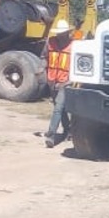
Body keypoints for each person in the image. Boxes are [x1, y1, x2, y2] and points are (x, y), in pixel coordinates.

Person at [44, 20, 74, 148]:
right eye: (59, 33)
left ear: (67, 33)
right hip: (52, 81)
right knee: (60, 109)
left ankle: (51, 136)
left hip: (65, 82)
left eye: (63, 33)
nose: (60, 36)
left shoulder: (74, 46)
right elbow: (43, 58)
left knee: (58, 109)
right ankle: (68, 130)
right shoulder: (50, 43)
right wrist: (42, 71)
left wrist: (69, 81)